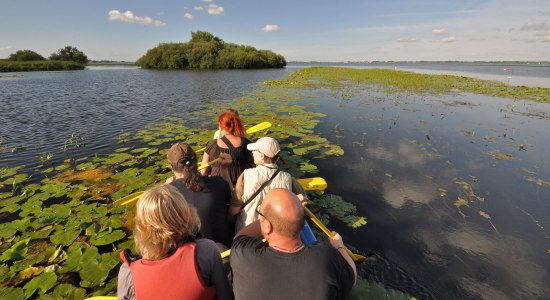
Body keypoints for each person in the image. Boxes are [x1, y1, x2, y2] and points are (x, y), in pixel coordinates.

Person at [230, 188, 357, 300]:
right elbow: (352, 275)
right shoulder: (327, 258)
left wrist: (274, 217)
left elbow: (240, 237)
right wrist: (339, 246)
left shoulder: (243, 256)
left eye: (261, 215)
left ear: (267, 226)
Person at [117, 185, 234, 300]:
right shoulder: (205, 251)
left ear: (141, 227)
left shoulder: (128, 272)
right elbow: (226, 296)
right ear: (185, 216)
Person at [230, 136, 307, 232]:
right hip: (276, 232)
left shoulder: (246, 175)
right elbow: (303, 200)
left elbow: (234, 210)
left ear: (262, 156)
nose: (252, 152)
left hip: (248, 231)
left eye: (255, 150)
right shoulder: (288, 178)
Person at [166, 142, 234, 249]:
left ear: (171, 166)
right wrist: (225, 170)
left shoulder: (168, 193)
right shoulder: (218, 182)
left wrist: (166, 187)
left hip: (193, 254)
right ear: (196, 161)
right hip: (225, 246)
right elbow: (233, 199)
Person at [201, 109, 253, 186]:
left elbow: (204, 171)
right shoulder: (246, 143)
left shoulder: (212, 145)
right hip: (240, 185)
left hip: (218, 186)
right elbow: (253, 165)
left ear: (221, 126)